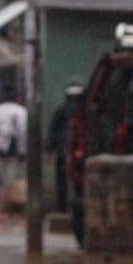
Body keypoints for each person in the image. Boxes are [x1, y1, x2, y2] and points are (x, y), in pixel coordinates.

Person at [48, 78, 84, 213]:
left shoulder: (79, 110)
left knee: (72, 183)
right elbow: (53, 129)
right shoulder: (63, 110)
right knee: (63, 182)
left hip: (72, 151)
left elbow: (53, 130)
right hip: (66, 151)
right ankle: (63, 208)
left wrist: (50, 147)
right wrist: (51, 147)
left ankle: (67, 208)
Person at [0, 88, 28, 210]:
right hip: (14, 149)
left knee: (3, 178)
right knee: (11, 179)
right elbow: (23, 132)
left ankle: (3, 205)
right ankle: (7, 207)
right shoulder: (21, 111)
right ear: (17, 99)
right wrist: (23, 152)